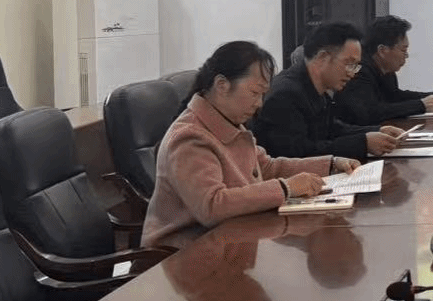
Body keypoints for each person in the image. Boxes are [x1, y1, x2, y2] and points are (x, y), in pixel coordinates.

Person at [144, 41, 349, 248]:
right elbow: (212, 206)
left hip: (230, 241)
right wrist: (286, 188)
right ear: (222, 85)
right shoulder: (189, 137)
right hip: (185, 254)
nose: (259, 103)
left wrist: (330, 165)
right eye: (254, 93)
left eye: (262, 95)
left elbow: (267, 168)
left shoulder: (228, 123)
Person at [250, 22, 402, 162]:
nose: (352, 73)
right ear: (322, 57)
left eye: (356, 66)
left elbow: (331, 128)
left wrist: (377, 130)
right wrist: (363, 143)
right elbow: (299, 154)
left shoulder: (315, 87)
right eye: (349, 63)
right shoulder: (285, 95)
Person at [335, 15, 433, 125]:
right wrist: (420, 105)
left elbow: (394, 97)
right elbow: (369, 112)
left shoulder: (386, 69)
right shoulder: (359, 70)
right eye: (403, 50)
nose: (406, 56)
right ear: (382, 50)